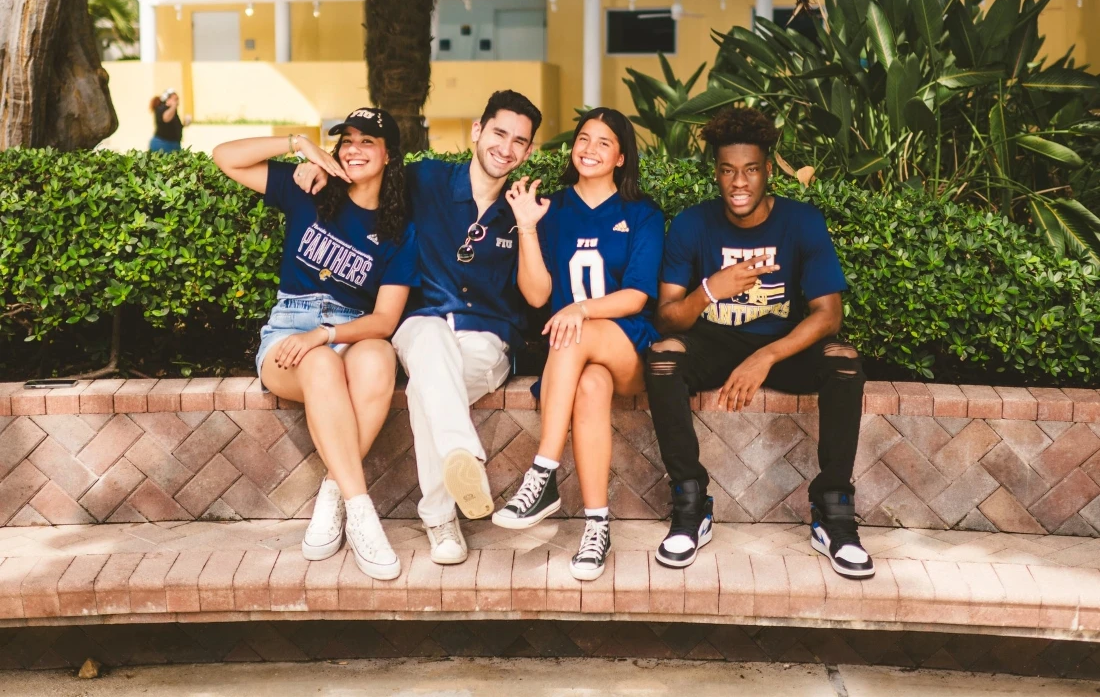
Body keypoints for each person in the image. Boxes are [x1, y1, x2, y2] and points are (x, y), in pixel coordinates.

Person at [293, 91, 547, 566]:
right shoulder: (426, 179)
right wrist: (318, 165)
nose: (506, 148)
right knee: (429, 340)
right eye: (498, 133)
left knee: (428, 389)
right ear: (477, 131)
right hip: (420, 325)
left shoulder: (525, 206)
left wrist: (529, 228)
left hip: (485, 340)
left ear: (528, 151)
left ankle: (440, 513)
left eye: (519, 141)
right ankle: (455, 470)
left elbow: (535, 297)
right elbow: (367, 171)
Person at [644, 105, 873, 580]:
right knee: (663, 361)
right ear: (716, 174)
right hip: (710, 343)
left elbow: (829, 315)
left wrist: (765, 356)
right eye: (727, 171)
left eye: (750, 170)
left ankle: (833, 511)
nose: (739, 182)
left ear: (768, 170)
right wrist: (711, 289)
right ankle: (690, 504)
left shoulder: (802, 222)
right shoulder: (691, 224)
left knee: (845, 363)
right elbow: (667, 319)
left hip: (780, 347)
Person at [211, 108, 418, 580]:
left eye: (368, 142)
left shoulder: (400, 228)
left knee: (379, 357)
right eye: (347, 141)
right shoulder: (312, 190)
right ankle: (363, 514)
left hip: (347, 328)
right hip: (289, 328)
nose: (354, 149)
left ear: (389, 155)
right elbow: (225, 157)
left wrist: (324, 334)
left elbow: (384, 320)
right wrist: (298, 144)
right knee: (321, 365)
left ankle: (333, 491)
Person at [490, 108, 664, 582]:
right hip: (573, 360)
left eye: (604, 142)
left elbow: (637, 295)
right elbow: (537, 295)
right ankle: (596, 526)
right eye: (583, 138)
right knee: (588, 386)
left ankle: (542, 471)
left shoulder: (642, 214)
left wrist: (581, 310)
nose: (589, 149)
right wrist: (526, 227)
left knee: (576, 330)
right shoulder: (554, 211)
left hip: (626, 346)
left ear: (621, 156)